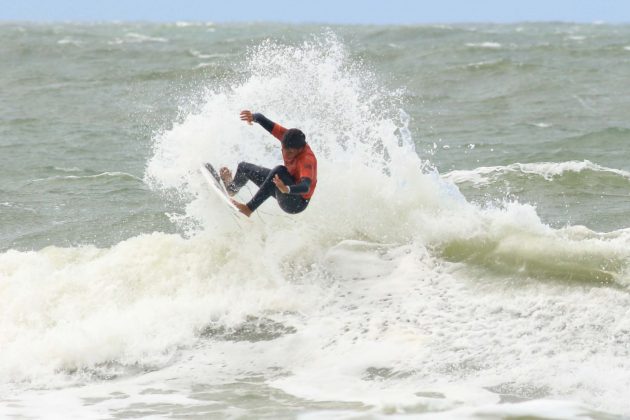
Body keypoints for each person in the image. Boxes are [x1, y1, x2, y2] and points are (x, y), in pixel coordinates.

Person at [219, 110, 317, 217]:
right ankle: (231, 189)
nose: (286, 154)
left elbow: (305, 187)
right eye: (284, 149)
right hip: (284, 187)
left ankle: (248, 208)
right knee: (243, 168)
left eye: (291, 152)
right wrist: (253, 117)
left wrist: (286, 189)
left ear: (300, 149)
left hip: (296, 203)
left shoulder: (307, 159)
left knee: (279, 171)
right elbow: (262, 119)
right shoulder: (287, 136)